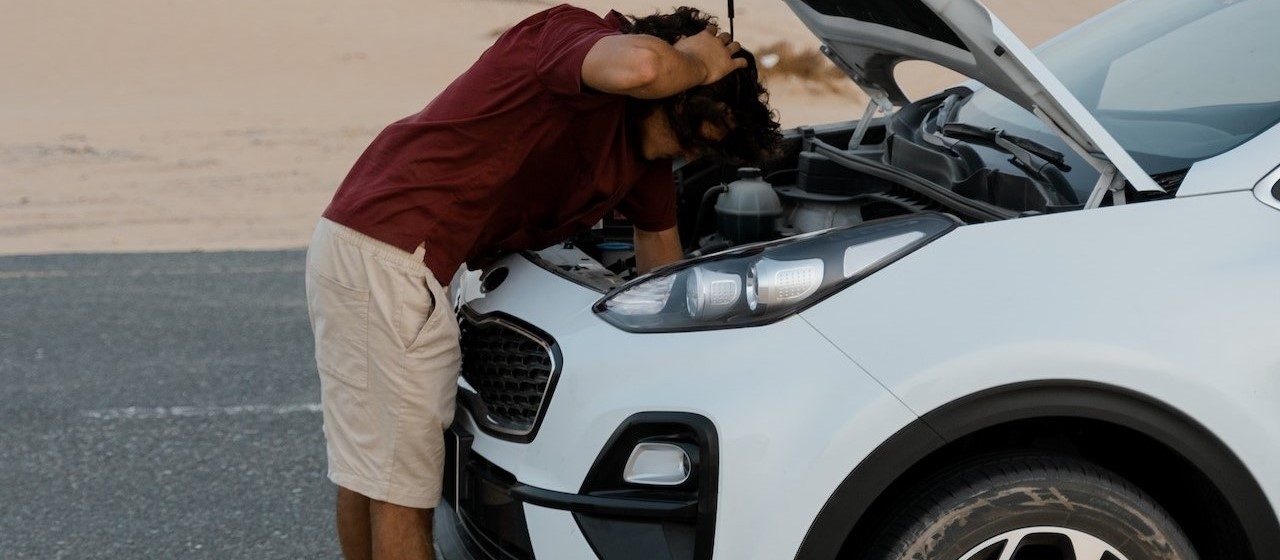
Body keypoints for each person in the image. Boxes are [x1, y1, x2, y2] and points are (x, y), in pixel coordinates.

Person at [304, 4, 780, 559]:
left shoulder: (641, 156)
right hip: (391, 255)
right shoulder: (566, 36)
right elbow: (643, 68)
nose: (694, 153)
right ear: (671, 89)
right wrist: (697, 63)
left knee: (373, 472)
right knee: (400, 494)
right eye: (694, 133)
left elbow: (662, 262)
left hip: (386, 253)